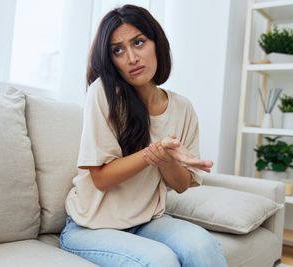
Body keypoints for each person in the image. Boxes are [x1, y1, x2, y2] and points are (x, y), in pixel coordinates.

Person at [60, 4, 228, 267]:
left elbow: (182, 185)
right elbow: (102, 178)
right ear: (111, 60)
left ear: (156, 43)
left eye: (139, 42)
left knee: (202, 246)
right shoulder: (103, 93)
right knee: (160, 260)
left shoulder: (182, 107)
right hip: (90, 226)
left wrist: (167, 158)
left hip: (147, 221)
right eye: (118, 50)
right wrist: (155, 151)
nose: (131, 58)